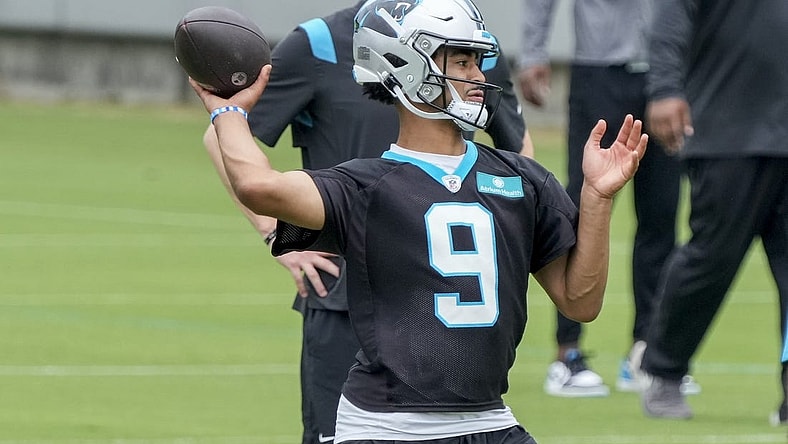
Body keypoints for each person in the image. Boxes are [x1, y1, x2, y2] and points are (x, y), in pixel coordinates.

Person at [192, 0, 647, 441]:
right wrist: (226, 110)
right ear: (408, 66)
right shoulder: (362, 188)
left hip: (489, 421)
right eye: (462, 62)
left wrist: (597, 197)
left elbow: (580, 302)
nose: (478, 75)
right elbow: (257, 185)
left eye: (477, 61)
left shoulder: (521, 180)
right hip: (388, 428)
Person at [517, 0, 698, 398]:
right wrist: (533, 51)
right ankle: (567, 353)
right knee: (579, 209)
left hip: (664, 74)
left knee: (661, 212)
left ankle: (645, 351)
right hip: (598, 69)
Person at [639, 0, 788, 421]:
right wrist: (665, 88)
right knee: (712, 257)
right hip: (728, 131)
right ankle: (663, 371)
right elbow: (671, 20)